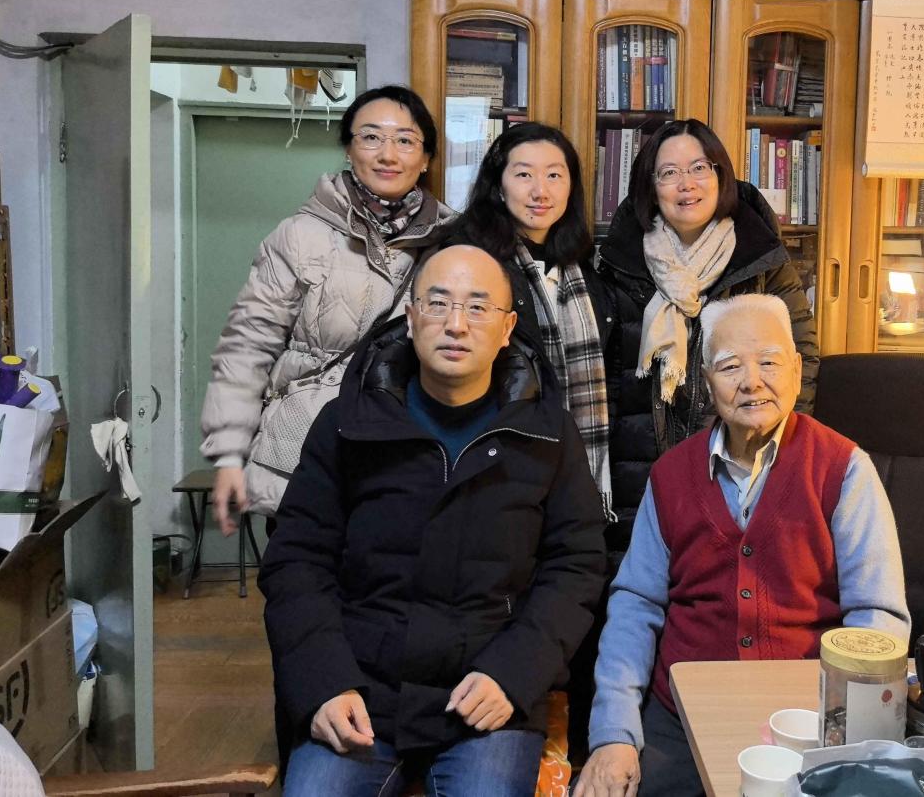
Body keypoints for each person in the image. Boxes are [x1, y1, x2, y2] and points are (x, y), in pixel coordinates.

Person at [259, 245, 607, 796]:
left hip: (486, 694)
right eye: (438, 303)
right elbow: (296, 561)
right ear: (411, 316)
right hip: (360, 688)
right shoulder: (347, 423)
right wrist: (324, 681)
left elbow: (577, 566)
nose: (456, 324)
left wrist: (514, 673)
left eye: (478, 308)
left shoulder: (547, 432)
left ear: (507, 328)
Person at [574, 294, 910, 797]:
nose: (752, 381)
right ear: (706, 381)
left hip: (806, 718)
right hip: (681, 717)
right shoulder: (670, 476)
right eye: (731, 366)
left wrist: (841, 734)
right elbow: (635, 606)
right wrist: (613, 734)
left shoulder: (843, 469)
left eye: (769, 362)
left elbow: (877, 618)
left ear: (796, 370)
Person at [201, 84, 454, 535]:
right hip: (306, 457)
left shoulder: (449, 244)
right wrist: (228, 454)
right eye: (371, 137)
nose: (387, 154)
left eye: (405, 140)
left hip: (404, 459)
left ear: (425, 159)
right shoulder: (300, 236)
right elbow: (247, 345)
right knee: (302, 576)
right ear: (348, 149)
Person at [598, 118, 818, 553]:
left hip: (741, 465)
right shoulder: (620, 264)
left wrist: (776, 456)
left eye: (700, 168)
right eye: (669, 172)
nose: (687, 184)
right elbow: (607, 377)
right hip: (639, 469)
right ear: (651, 188)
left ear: (721, 176)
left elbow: (801, 363)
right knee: (644, 581)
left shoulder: (762, 261)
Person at [441, 122, 616, 520]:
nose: (541, 191)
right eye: (524, 175)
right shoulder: (469, 261)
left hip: (575, 471)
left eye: (554, 175)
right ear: (498, 186)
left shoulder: (585, 270)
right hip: (493, 464)